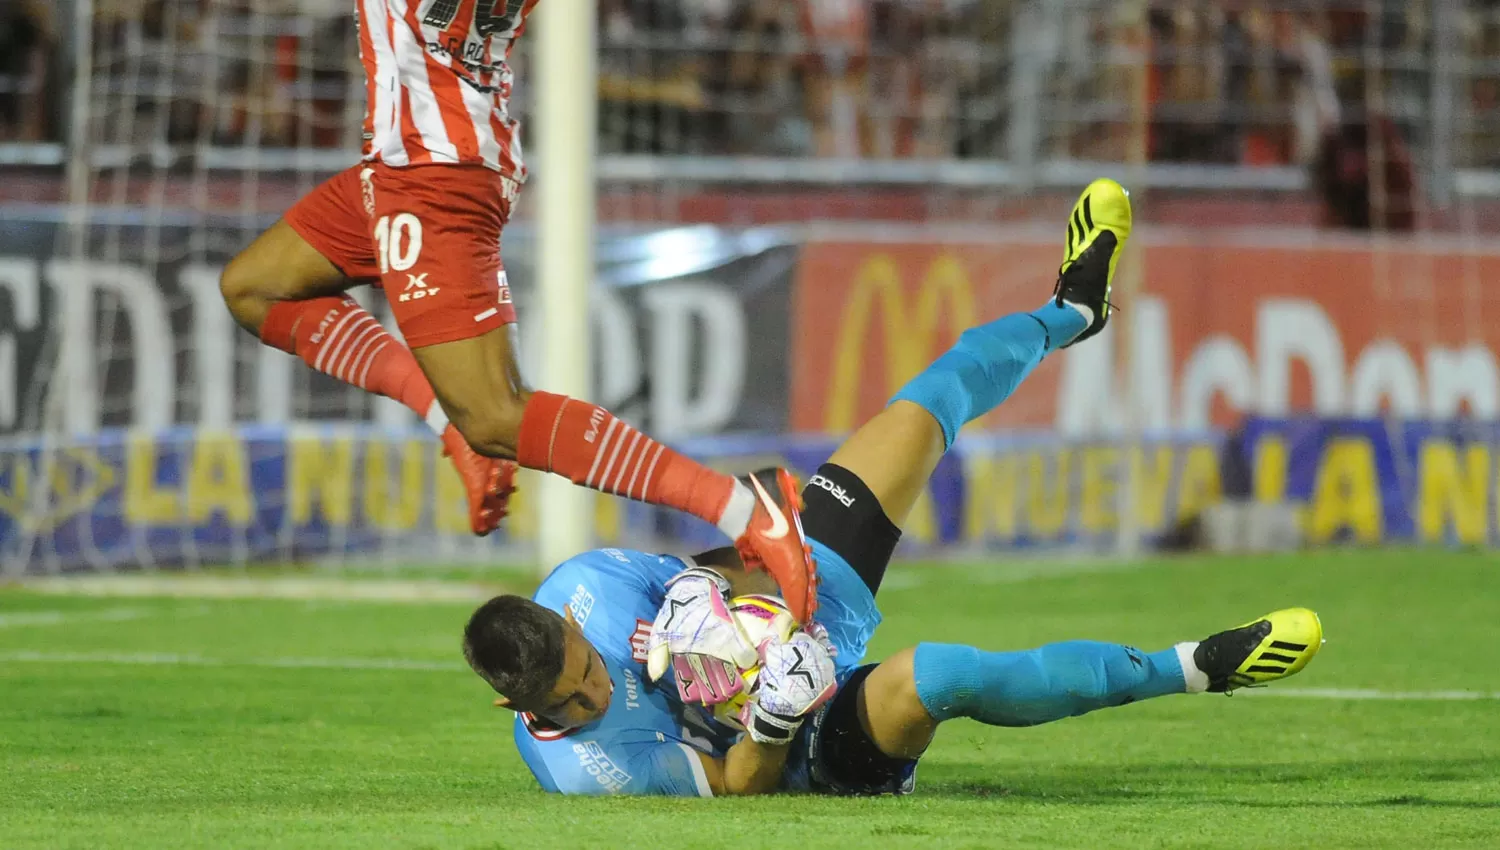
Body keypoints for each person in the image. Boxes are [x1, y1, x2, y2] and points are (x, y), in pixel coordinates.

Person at [461, 179, 1327, 796]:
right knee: (937, 676)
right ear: (515, 707)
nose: (594, 695)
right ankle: (1198, 668)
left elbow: (724, 564)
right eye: (571, 703)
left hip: (797, 617)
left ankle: (1073, 309)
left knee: (924, 406)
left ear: (572, 628)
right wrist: (772, 716)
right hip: (810, 749)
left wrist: (722, 599)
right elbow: (737, 789)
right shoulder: (588, 768)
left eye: (584, 673)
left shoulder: (587, 586)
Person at [216, 0, 817, 618]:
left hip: (432, 174)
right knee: (255, 286)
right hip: (415, 159)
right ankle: (445, 416)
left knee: (498, 417)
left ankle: (745, 509)